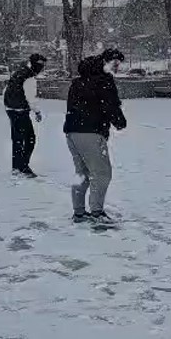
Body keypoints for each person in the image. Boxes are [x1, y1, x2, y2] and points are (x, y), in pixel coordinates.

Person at [64, 48, 127, 225]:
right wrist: (120, 122)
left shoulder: (79, 81)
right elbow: (110, 105)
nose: (117, 67)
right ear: (108, 62)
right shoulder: (103, 81)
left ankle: (78, 212)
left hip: (72, 131)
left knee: (81, 172)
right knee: (102, 173)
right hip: (90, 132)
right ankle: (97, 213)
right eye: (116, 63)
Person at [3, 54, 46, 178]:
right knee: (30, 139)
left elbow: (6, 90)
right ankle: (23, 166)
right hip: (20, 110)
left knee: (17, 139)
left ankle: (16, 166)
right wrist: (37, 111)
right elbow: (30, 98)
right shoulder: (29, 78)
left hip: (11, 109)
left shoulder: (19, 72)